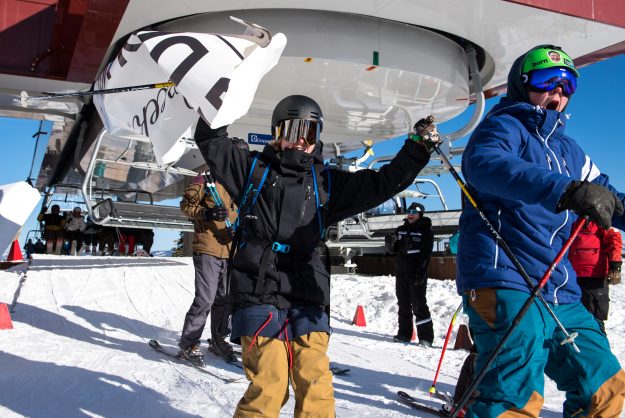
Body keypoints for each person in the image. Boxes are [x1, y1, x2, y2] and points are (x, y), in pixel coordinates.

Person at [193, 94, 437, 418]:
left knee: (316, 384)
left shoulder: (327, 183)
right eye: (290, 131)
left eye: (308, 133)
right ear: (276, 134)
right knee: (271, 382)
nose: (299, 141)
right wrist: (220, 93)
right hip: (257, 290)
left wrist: (417, 148)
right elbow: (211, 140)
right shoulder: (252, 171)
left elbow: (383, 184)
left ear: (317, 138)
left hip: (307, 293)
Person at [456, 45, 625, 417]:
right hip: (505, 277)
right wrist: (566, 190)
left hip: (559, 288)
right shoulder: (503, 127)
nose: (558, 93)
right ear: (522, 83)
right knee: (514, 394)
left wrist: (600, 198)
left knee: (604, 385)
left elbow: (609, 198)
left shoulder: (570, 150)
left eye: (568, 85)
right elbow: (485, 164)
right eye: (548, 82)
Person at [177, 174, 238, 365]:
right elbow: (186, 206)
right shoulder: (206, 178)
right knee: (205, 298)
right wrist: (207, 213)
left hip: (231, 249)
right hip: (207, 248)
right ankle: (189, 343)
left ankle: (219, 339)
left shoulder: (240, 182)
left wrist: (239, 230)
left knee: (225, 299)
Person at [388, 202, 434, 346]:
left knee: (419, 305)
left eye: (414, 211)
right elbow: (394, 250)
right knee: (403, 304)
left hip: (416, 274)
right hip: (401, 272)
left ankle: (426, 338)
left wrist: (421, 273)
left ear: (420, 214)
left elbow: (426, 255)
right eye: (409, 211)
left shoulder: (426, 231)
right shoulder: (400, 230)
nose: (411, 213)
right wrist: (390, 244)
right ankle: (404, 334)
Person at [569, 219, 622, 334]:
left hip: (595, 276)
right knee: (574, 315)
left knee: (595, 317)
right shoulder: (570, 217)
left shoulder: (602, 219)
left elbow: (614, 239)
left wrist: (615, 266)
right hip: (571, 275)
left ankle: (598, 346)